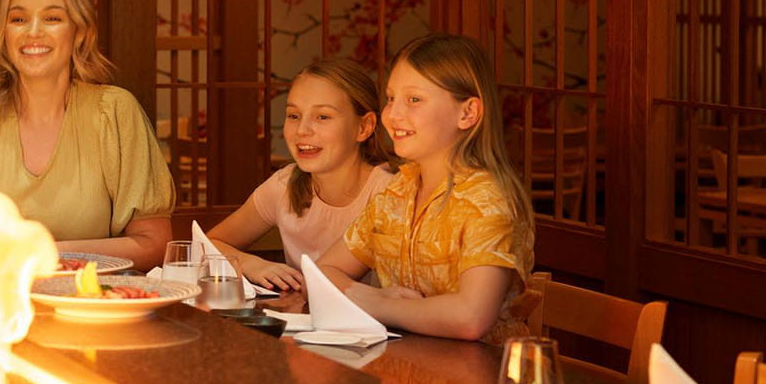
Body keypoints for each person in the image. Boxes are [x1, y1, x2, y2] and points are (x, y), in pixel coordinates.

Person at [0, 0, 174, 270]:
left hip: (93, 305)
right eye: (18, 19)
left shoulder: (115, 112)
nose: (33, 32)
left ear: (79, 32)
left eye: (52, 18)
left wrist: (41, 252)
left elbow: (155, 243)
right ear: (3, 34)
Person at [316, 33, 535, 342]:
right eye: (391, 98)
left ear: (467, 113)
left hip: (482, 378)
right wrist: (373, 298)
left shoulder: (488, 200)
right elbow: (325, 272)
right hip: (406, 371)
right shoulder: (398, 190)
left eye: (414, 99)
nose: (392, 115)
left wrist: (379, 303)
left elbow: (471, 318)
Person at [206, 58, 394, 292]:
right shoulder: (284, 185)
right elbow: (209, 245)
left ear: (364, 127)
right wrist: (251, 264)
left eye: (322, 117)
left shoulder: (390, 192)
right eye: (293, 116)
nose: (302, 130)